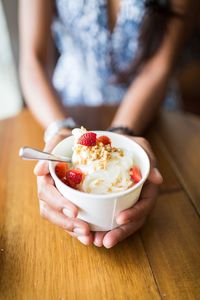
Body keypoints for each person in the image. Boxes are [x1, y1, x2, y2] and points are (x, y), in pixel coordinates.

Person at [19, 0, 196, 248]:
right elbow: (32, 59)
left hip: (150, 110)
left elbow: (159, 65)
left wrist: (122, 134)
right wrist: (59, 128)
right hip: (64, 102)